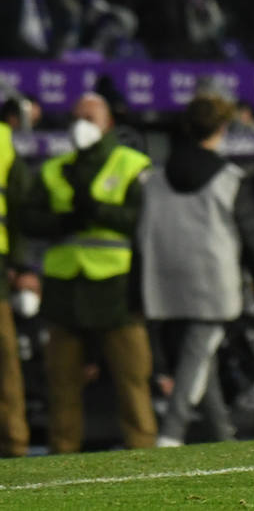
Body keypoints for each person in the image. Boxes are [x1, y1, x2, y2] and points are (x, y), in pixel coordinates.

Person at [19, 93, 157, 453]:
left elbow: (142, 220)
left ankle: (145, 456)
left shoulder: (133, 163)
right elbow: (29, 219)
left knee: (133, 380)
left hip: (117, 290)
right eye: (76, 116)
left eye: (90, 117)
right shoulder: (54, 168)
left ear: (108, 123)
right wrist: (64, 221)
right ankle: (62, 466)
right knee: (61, 385)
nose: (81, 123)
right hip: (65, 289)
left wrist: (94, 208)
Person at [138, 93, 254, 447]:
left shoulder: (153, 178)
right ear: (222, 127)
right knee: (197, 358)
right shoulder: (230, 178)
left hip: (164, 282)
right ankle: (170, 434)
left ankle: (222, 437)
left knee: (200, 356)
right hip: (214, 285)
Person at [0, 112, 36, 457]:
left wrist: (22, 264)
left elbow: (21, 209)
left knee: (5, 357)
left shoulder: (3, 142)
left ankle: (14, 445)